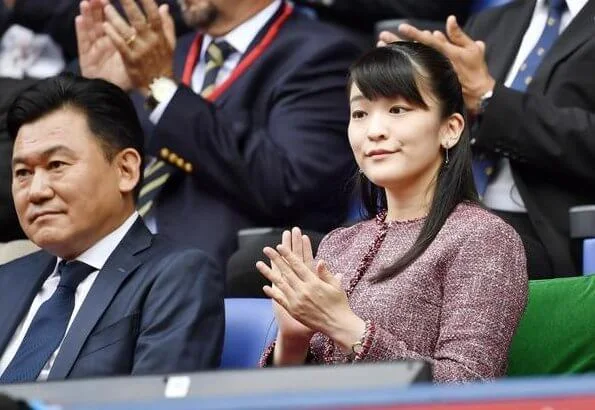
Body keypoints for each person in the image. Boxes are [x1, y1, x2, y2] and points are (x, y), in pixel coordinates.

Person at [256, 42, 528, 382]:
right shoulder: (338, 244)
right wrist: (294, 341)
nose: (374, 130)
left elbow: (469, 386)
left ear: (451, 129)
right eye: (360, 114)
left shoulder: (483, 238)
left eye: (398, 110)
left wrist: (344, 326)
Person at [74, 0, 362, 271]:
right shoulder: (160, 53)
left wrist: (162, 91)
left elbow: (287, 184)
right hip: (110, 261)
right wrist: (100, 98)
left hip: (214, 271)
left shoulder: (322, 53)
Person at [0, 74, 224, 384]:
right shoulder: (6, 280)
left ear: (126, 170)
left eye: (56, 165)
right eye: (23, 172)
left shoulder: (176, 276)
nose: (36, 191)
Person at [378, 0, 595, 278]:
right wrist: (422, 87)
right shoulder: (491, 22)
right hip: (451, 214)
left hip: (550, 232)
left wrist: (488, 96)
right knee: (322, 249)